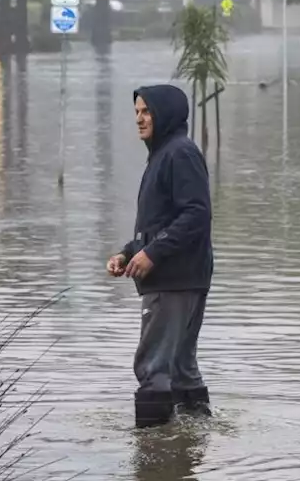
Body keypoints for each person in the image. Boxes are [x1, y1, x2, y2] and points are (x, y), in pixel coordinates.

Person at [107, 84, 214, 428]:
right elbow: (162, 221)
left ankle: (153, 454)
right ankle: (192, 442)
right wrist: (128, 253)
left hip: (173, 280)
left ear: (165, 113)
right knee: (181, 369)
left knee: (153, 367)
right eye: (137, 112)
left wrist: (153, 253)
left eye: (147, 111)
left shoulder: (178, 153)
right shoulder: (163, 154)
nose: (139, 119)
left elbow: (197, 214)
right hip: (182, 276)